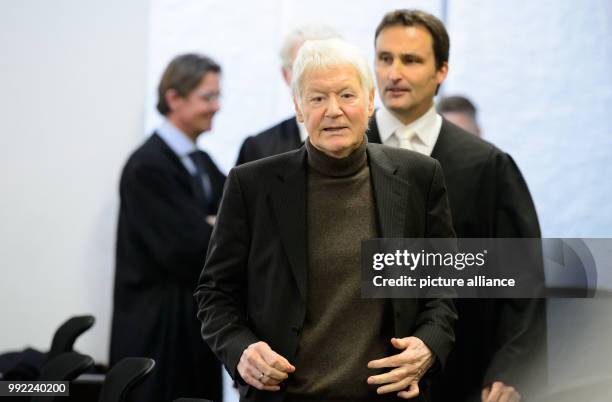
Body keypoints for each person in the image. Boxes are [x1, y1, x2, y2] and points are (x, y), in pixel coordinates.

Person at [195, 38, 457, 402]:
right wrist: (241, 350)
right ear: (299, 108)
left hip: (389, 395)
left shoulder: (418, 178)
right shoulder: (252, 186)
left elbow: (444, 286)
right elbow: (214, 294)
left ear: (369, 102)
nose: (333, 110)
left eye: (347, 96)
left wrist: (429, 346)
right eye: (317, 98)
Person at [367, 9, 546, 402]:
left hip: (460, 375)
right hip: (355, 376)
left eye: (411, 60)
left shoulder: (486, 166)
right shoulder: (340, 155)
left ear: (441, 70)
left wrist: (511, 370)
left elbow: (523, 276)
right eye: (384, 58)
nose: (394, 72)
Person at [110, 53, 224, 402]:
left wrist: (210, 224)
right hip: (157, 334)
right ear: (174, 98)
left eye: (218, 96)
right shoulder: (147, 167)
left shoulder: (201, 162)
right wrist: (209, 225)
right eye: (208, 97)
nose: (217, 106)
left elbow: (236, 222)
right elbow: (190, 248)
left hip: (190, 328)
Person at [235, 24, 338, 165]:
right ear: (286, 75)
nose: (317, 78)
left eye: (327, 65)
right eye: (303, 67)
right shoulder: (258, 150)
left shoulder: (373, 137)